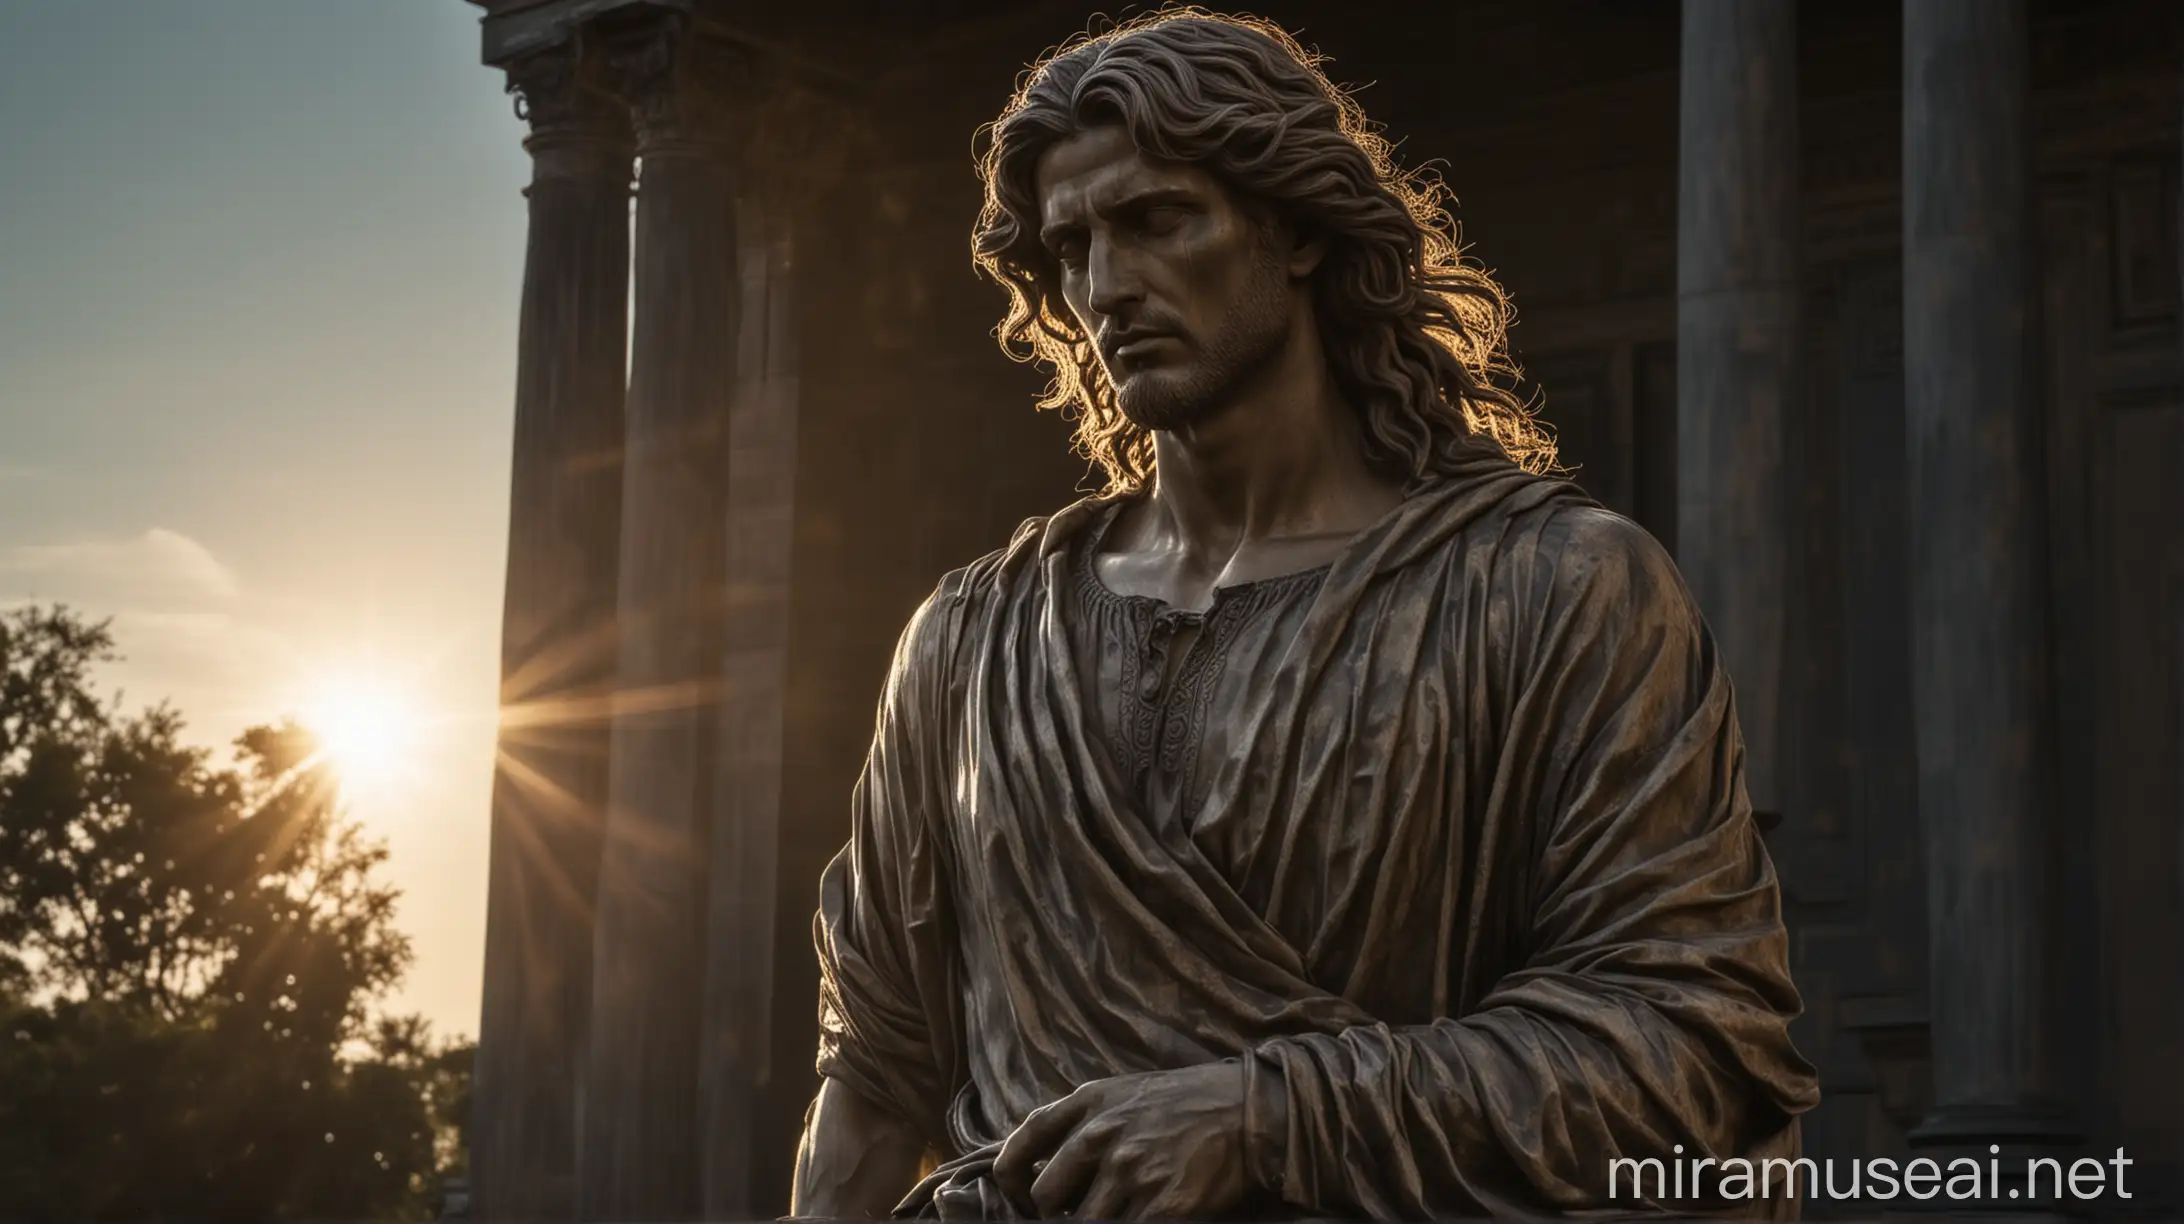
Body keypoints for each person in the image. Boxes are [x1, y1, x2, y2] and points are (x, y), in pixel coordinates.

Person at [791, 10, 1818, 1219]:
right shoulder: (969, 645)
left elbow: (1696, 1046)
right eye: (1071, 249)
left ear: (1296, 228)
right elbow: (874, 1075)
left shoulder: (1555, 591)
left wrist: (1265, 1116)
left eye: (1158, 218)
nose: (1108, 287)